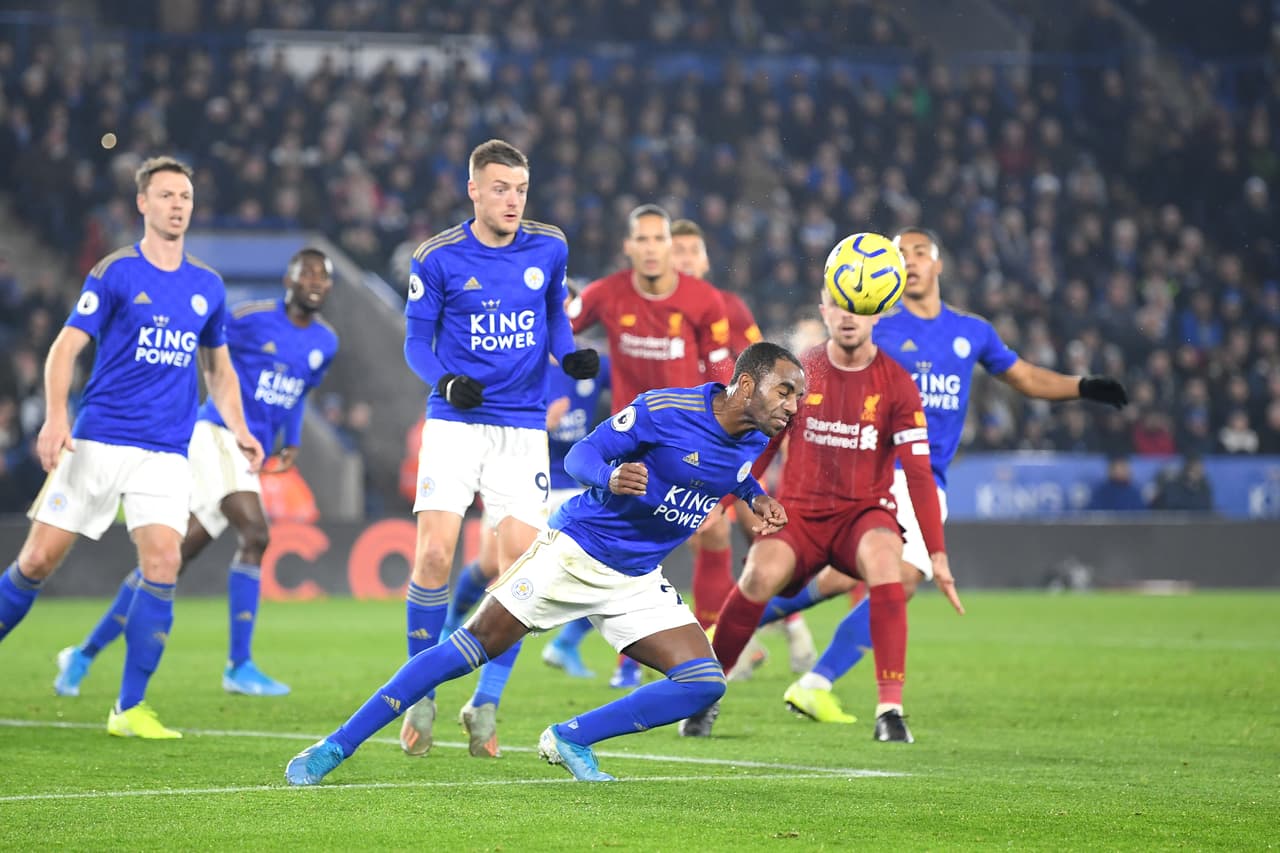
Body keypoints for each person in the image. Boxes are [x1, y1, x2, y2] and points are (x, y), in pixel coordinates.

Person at [284, 342, 803, 786]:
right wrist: (611, 477)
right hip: (575, 553)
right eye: (784, 391)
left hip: (637, 578)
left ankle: (569, 738)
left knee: (703, 683)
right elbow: (581, 456)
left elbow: (728, 470)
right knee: (464, 650)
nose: (793, 405)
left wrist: (753, 495)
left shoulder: (756, 435)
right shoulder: (666, 410)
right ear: (742, 385)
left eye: (798, 395)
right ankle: (335, 746)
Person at [764, 227, 1129, 725]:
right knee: (904, 580)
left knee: (831, 579)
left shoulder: (971, 331)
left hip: (926, 477)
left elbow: (1022, 376)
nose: (909, 261)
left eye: (919, 253)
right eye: (899, 254)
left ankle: (724, 630)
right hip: (881, 469)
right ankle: (815, 681)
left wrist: (1082, 386)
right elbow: (825, 367)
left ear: (938, 265)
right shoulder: (877, 326)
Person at [0, 156, 265, 738]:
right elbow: (65, 349)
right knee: (37, 561)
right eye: (167, 195)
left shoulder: (207, 287)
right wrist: (55, 417)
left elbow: (219, 371)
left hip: (165, 451)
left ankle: (129, 708)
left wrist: (240, 429)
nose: (178, 205)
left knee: (164, 563)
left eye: (186, 197)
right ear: (142, 203)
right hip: (97, 440)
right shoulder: (115, 272)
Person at [52, 248, 338, 698]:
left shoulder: (326, 343)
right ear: (290, 279)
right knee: (256, 534)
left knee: (172, 561)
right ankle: (239, 665)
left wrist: (294, 441)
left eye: (324, 276)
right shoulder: (250, 319)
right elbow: (207, 351)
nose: (316, 282)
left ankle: (83, 654)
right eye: (308, 274)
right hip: (216, 434)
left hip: (248, 453)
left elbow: (299, 394)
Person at [398, 139, 599, 759]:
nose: (512, 200)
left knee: (521, 572)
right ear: (474, 191)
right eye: (500, 188)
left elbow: (556, 318)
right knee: (434, 557)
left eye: (520, 188)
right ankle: (419, 696)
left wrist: (568, 354)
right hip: (456, 423)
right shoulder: (437, 258)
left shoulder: (550, 245)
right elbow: (414, 342)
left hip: (521, 428)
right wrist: (445, 380)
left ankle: (485, 702)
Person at [700, 286, 961, 744]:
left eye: (860, 309)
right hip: (800, 511)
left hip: (863, 513)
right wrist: (728, 496)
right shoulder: (803, 371)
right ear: (824, 310)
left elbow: (918, 473)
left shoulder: (897, 382)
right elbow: (764, 444)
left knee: (887, 564)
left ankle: (890, 710)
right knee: (759, 576)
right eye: (840, 306)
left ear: (876, 315)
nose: (848, 317)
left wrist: (936, 554)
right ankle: (702, 696)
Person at [567, 204, 732, 688]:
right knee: (630, 550)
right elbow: (560, 328)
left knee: (714, 535)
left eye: (659, 239)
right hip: (630, 442)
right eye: (642, 239)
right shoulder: (605, 294)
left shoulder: (704, 302)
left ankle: (710, 642)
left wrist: (726, 437)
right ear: (629, 246)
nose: (652, 248)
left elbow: (721, 377)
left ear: (668, 247)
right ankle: (625, 657)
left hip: (691, 443)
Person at [669, 217, 816, 679]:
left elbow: (763, 364)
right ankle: (759, 635)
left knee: (727, 530)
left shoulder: (725, 306)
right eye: (679, 251)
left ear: (706, 259)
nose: (685, 259)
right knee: (711, 537)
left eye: (693, 250)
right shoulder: (652, 307)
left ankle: (753, 637)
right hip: (675, 437)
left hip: (725, 439)